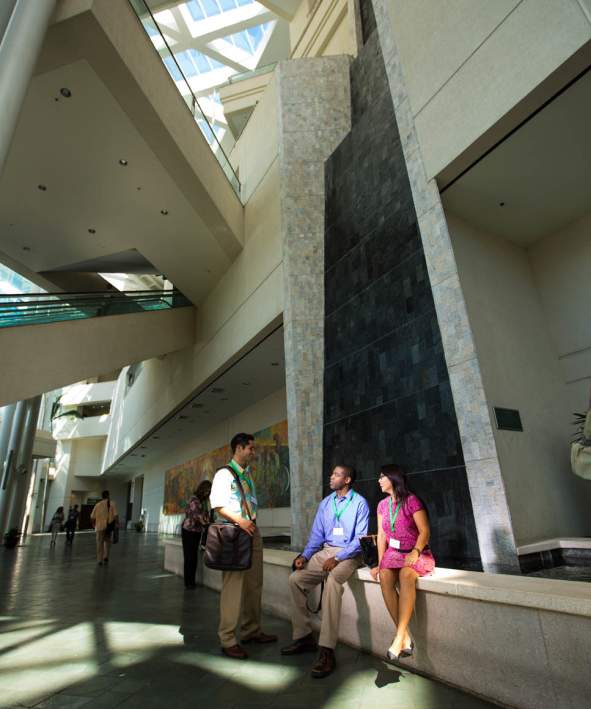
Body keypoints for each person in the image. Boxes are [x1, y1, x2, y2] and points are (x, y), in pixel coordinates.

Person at [281, 465, 369, 679]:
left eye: (337, 475)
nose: (331, 477)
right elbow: (316, 536)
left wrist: (338, 558)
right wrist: (304, 556)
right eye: (332, 473)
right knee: (295, 579)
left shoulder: (359, 503)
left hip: (350, 554)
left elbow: (361, 539)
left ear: (347, 480)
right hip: (326, 551)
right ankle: (303, 637)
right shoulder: (326, 503)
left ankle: (327, 650)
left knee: (332, 582)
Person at [209, 433, 277, 659]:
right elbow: (218, 506)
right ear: (239, 448)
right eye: (251, 449)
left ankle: (251, 630)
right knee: (233, 587)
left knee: (254, 584)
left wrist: (250, 525)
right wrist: (242, 522)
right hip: (234, 533)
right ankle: (227, 639)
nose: (253, 453)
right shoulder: (223, 474)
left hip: (251, 532)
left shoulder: (247, 475)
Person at [370, 464, 435, 661]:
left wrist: (416, 551)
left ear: (393, 478)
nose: (379, 480)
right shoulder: (382, 505)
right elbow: (381, 537)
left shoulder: (411, 501)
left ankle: (398, 636)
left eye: (382, 477)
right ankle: (405, 636)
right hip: (393, 552)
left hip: (416, 552)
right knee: (385, 575)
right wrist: (381, 563)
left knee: (407, 574)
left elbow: (425, 531)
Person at [181, 480, 212, 588]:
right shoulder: (194, 500)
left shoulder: (203, 502)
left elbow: (206, 517)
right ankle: (188, 583)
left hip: (197, 531)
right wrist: (206, 522)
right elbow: (197, 516)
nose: (208, 493)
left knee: (193, 557)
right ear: (202, 489)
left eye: (209, 491)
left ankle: (191, 582)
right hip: (188, 530)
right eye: (207, 490)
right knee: (189, 557)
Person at [90, 490, 118, 566]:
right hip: (108, 527)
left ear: (102, 496)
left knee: (99, 543)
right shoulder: (112, 503)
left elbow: (92, 517)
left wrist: (93, 525)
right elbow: (115, 515)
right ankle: (106, 556)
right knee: (107, 542)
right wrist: (117, 523)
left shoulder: (97, 505)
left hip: (99, 527)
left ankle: (99, 560)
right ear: (108, 495)